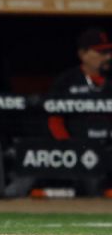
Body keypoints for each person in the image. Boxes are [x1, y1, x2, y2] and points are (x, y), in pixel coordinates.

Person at [47, 27, 112, 195]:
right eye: (101, 53)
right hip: (76, 148)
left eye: (108, 52)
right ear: (83, 54)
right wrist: (67, 146)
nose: (108, 57)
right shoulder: (66, 81)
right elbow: (55, 119)